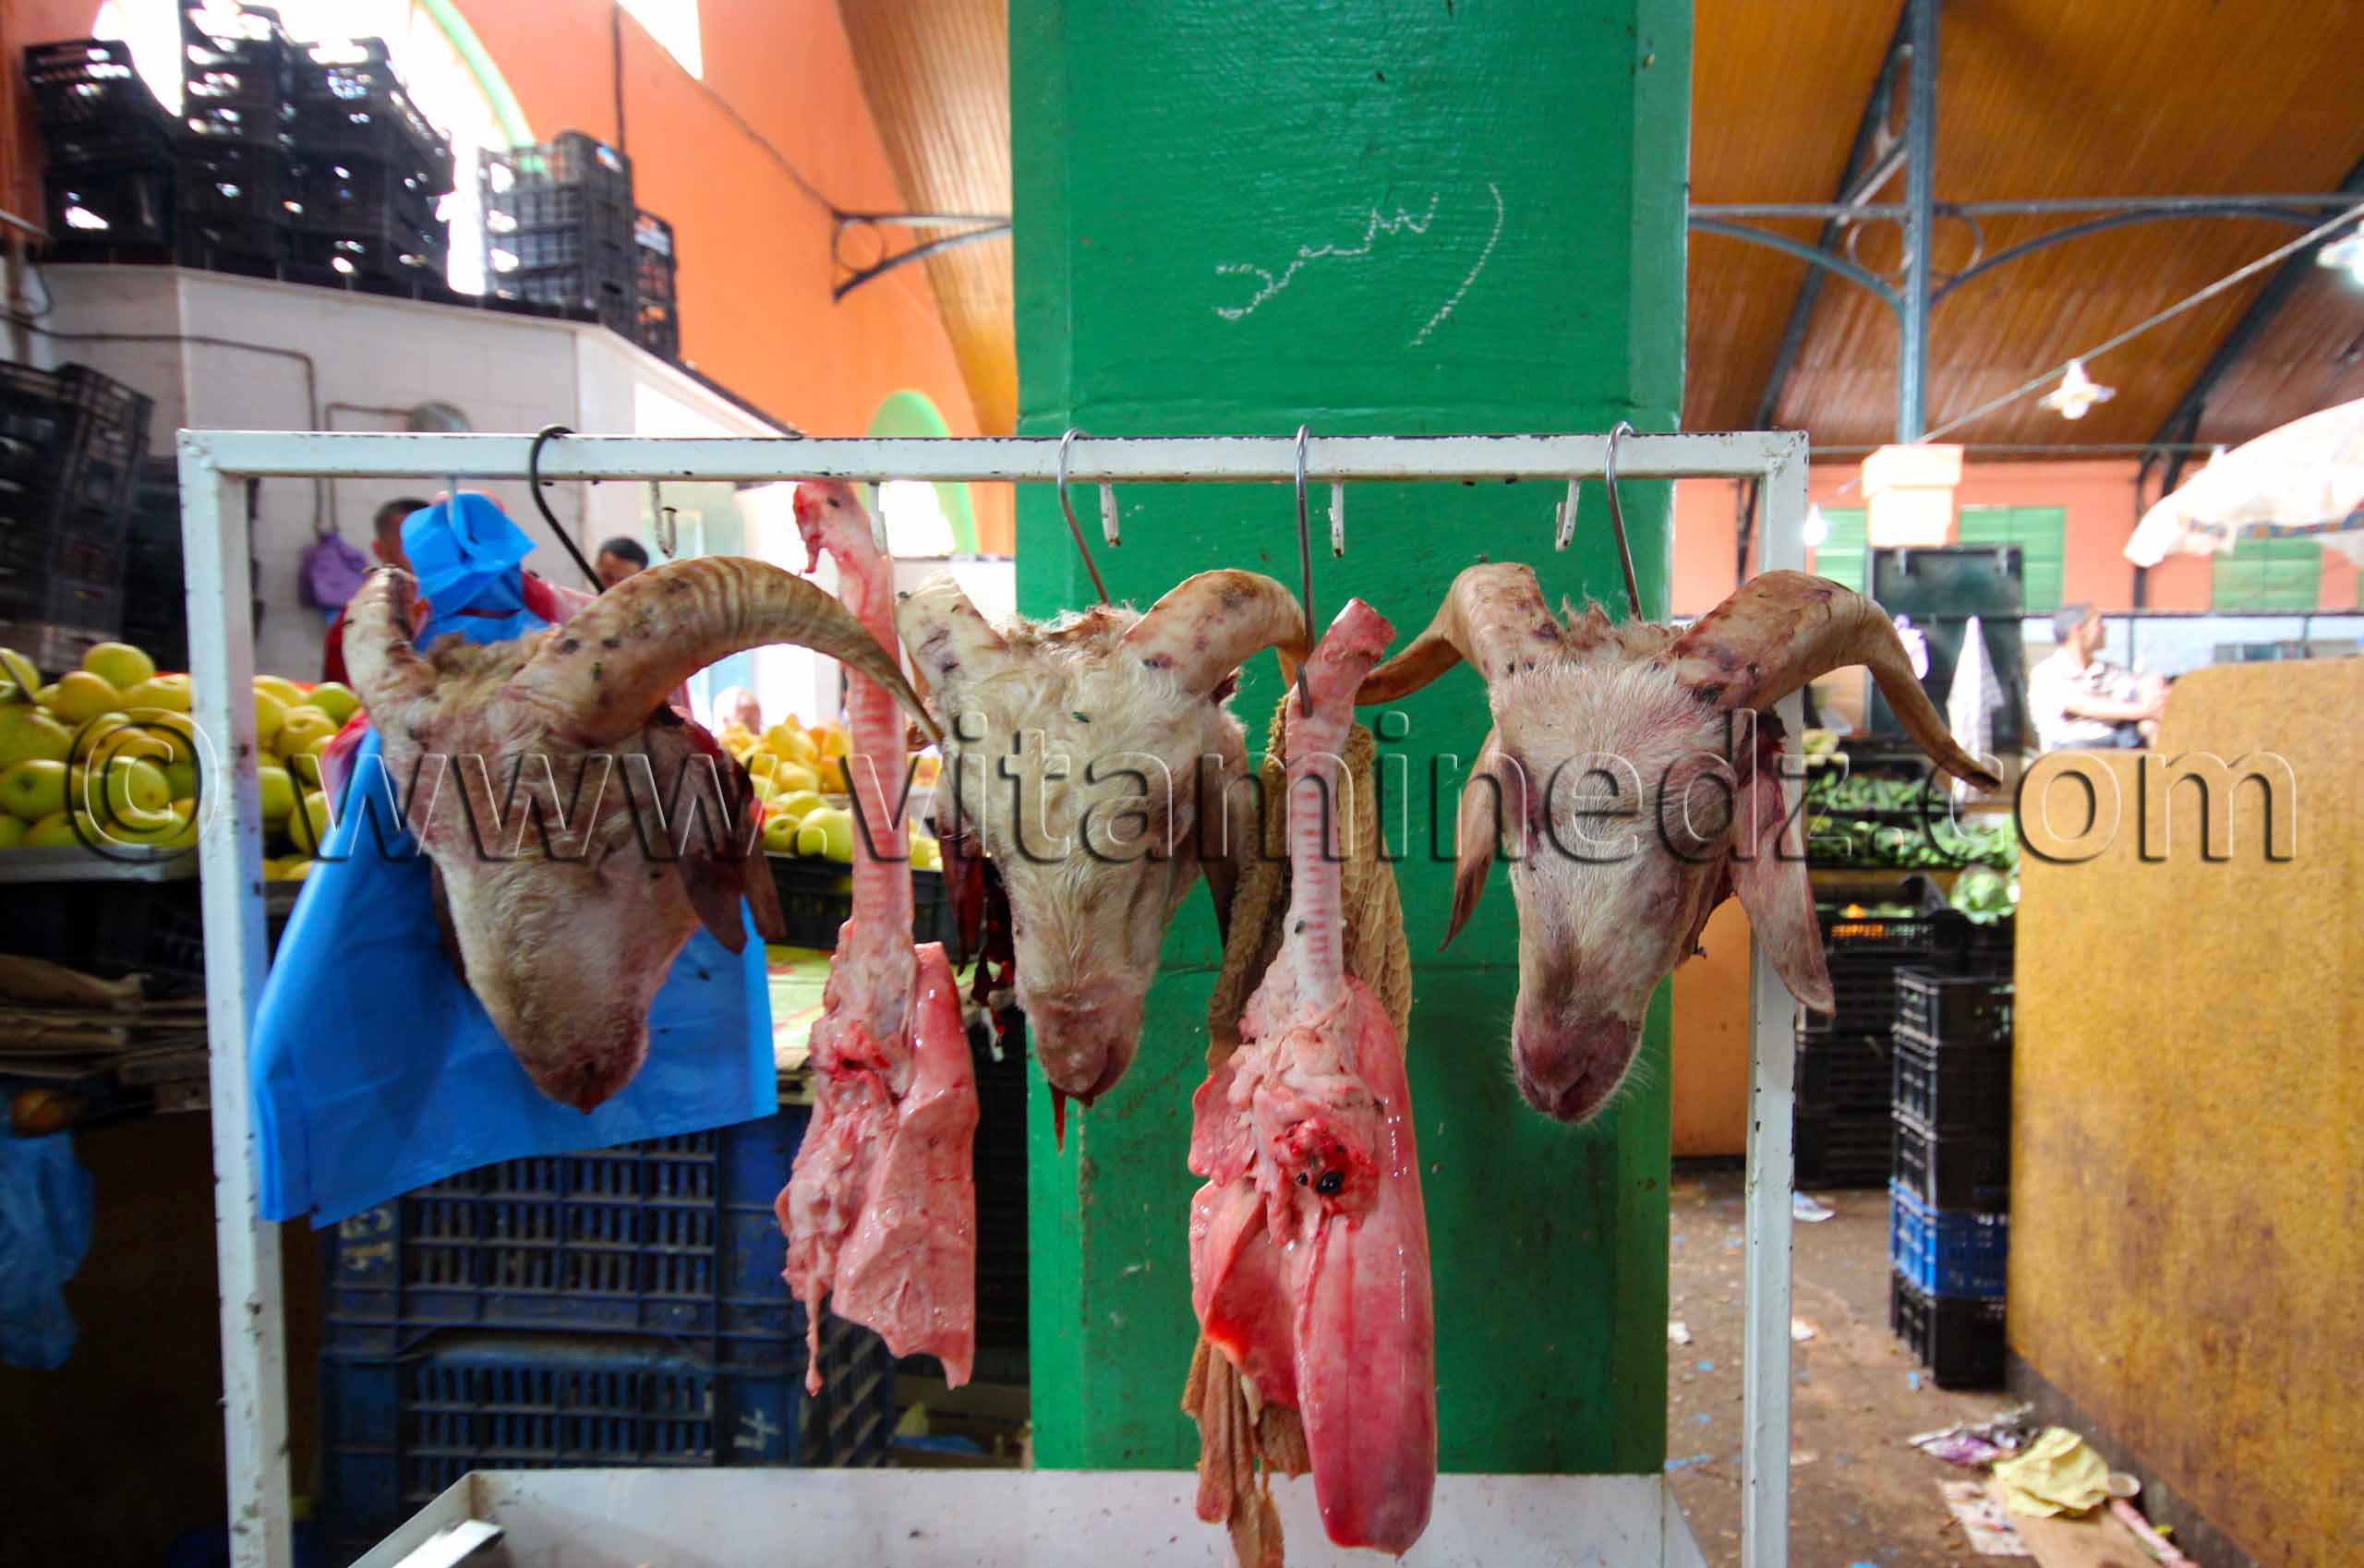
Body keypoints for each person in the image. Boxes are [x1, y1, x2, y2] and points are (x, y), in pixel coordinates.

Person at [2025, 603, 2166, 751]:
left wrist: (2153, 688)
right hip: (2073, 750)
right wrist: (2146, 710)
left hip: (2118, 744)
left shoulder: (2111, 671)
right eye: (2098, 623)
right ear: (2078, 630)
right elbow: (2082, 706)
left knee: (2149, 724)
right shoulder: (2047, 672)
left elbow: (2136, 690)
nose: (2104, 628)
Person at [320, 497, 431, 681]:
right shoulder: (356, 622)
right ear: (379, 550)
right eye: (411, 544)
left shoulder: (454, 607)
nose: (425, 553)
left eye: (431, 543)